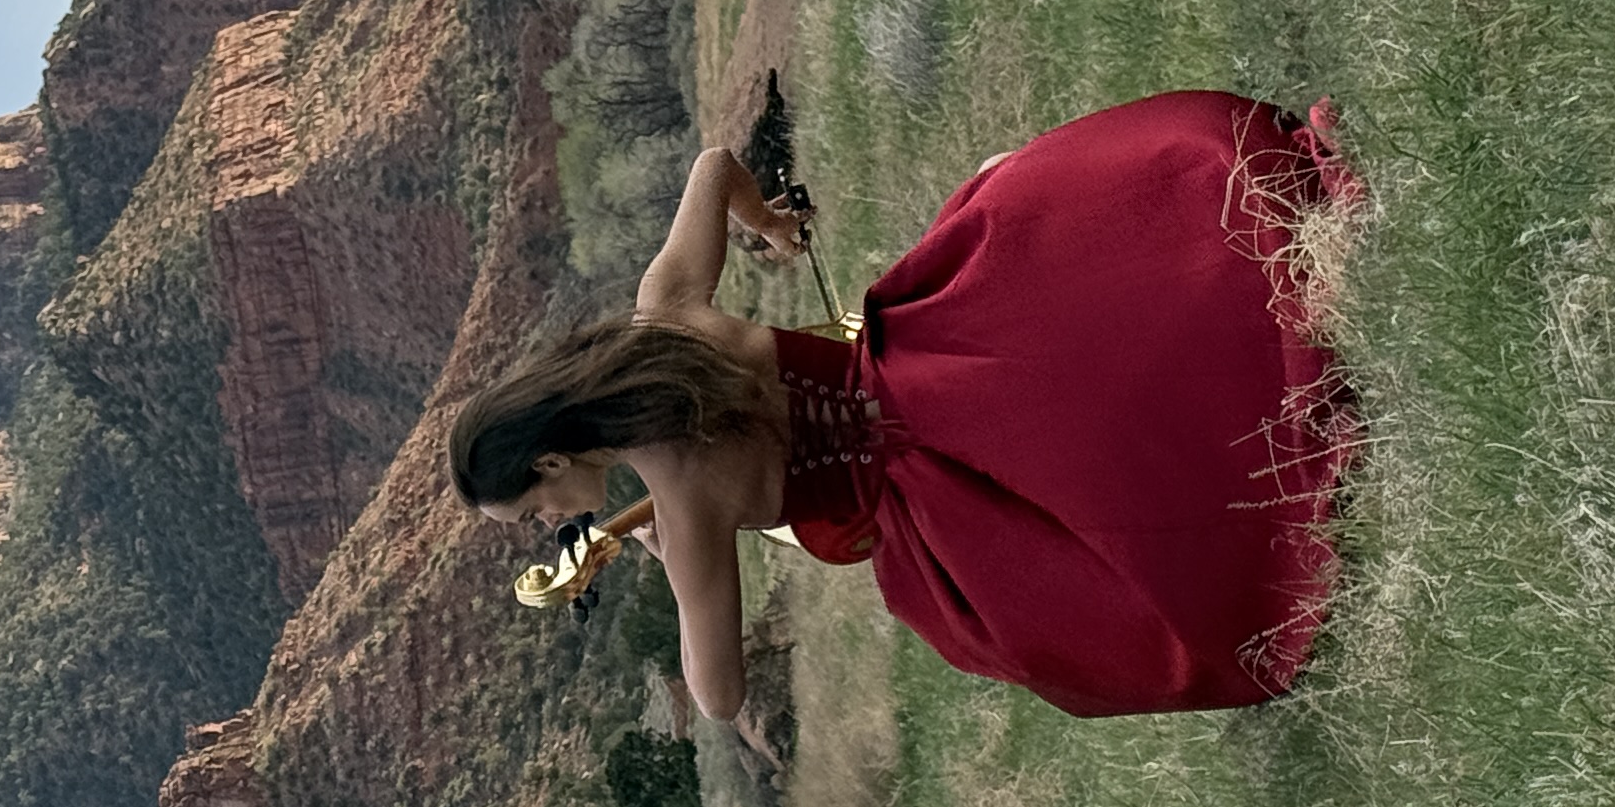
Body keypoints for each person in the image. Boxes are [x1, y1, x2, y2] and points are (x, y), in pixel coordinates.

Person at [448, 91, 1359, 729]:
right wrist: (764, 223)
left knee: (1074, 619)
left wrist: (670, 569)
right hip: (924, 355)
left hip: (937, 489)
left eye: (534, 511)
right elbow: (712, 165)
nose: (552, 525)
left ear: (551, 463)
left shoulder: (686, 508)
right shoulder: (666, 313)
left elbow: (719, 696)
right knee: (1078, 269)